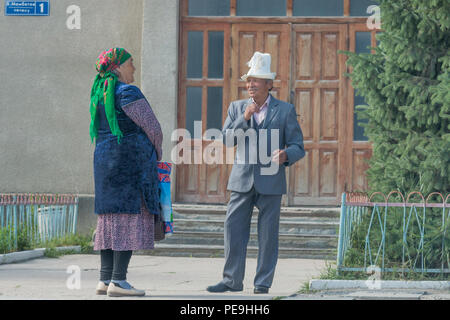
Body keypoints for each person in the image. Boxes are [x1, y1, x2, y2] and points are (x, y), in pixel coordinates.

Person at [207, 52, 305, 294]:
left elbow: (298, 146)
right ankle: (231, 281)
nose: (250, 85)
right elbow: (227, 140)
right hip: (241, 180)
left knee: (268, 236)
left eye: (256, 80)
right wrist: (244, 117)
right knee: (233, 229)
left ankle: (262, 283)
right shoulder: (236, 107)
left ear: (269, 84)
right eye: (248, 80)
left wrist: (286, 155)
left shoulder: (285, 110)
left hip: (271, 181)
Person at [89, 48, 163, 297]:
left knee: (109, 220)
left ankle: (104, 279)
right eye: (131, 63)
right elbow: (152, 127)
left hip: (104, 163)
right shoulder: (127, 91)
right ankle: (119, 282)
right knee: (128, 219)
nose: (134, 68)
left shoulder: (101, 92)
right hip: (129, 164)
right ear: (118, 67)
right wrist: (156, 152)